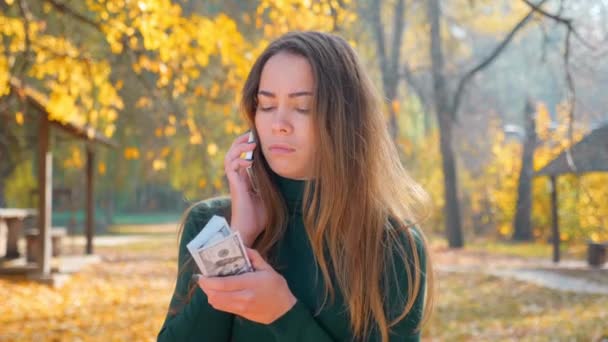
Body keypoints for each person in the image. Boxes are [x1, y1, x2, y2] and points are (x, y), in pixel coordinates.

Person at [158, 31, 434, 342]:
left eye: (302, 108)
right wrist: (238, 240)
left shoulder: (393, 244)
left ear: (344, 119)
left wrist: (283, 314)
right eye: (266, 105)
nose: (279, 123)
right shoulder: (213, 225)